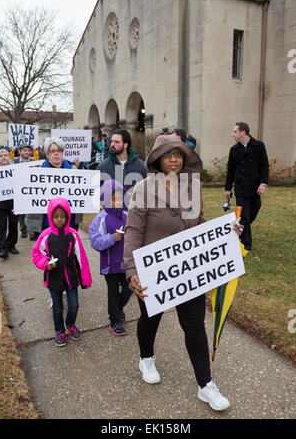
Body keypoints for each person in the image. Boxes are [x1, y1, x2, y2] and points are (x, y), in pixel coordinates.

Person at [123, 133, 243, 411]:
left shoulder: (194, 186)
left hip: (189, 270)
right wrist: (131, 270)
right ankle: (146, 357)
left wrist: (226, 231)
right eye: (168, 154)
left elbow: (199, 222)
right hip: (154, 270)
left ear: (185, 156)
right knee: (150, 318)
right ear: (157, 159)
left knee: (194, 325)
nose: (174, 159)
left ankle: (206, 385)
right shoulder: (142, 188)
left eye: (178, 153)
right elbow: (134, 232)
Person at [31, 198, 92, 346]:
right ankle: (59, 331)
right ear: (50, 217)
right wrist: (46, 264)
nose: (59, 219)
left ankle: (70, 324)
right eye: (56, 216)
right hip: (53, 279)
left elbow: (81, 257)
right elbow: (36, 254)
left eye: (63, 216)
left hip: (71, 278)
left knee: (74, 305)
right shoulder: (45, 235)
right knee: (57, 308)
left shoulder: (73, 234)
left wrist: (85, 279)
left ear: (68, 217)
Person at [89, 179, 132, 336]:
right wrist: (112, 238)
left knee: (130, 288)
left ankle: (118, 310)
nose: (117, 202)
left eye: (120, 198)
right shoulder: (100, 219)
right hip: (109, 264)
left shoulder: (128, 216)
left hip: (126, 264)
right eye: (114, 199)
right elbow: (95, 241)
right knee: (113, 293)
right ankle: (114, 320)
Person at [25, 137, 83, 240]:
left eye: (59, 150)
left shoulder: (73, 170)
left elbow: (83, 193)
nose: (56, 153)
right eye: (52, 151)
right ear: (47, 154)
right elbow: (30, 195)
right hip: (46, 223)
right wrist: (20, 205)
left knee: (69, 253)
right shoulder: (38, 173)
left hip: (70, 222)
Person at [225, 122, 269, 251]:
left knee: (252, 214)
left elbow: (264, 166)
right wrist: (228, 188)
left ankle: (237, 230)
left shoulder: (259, 146)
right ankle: (246, 246)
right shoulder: (234, 150)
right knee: (244, 216)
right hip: (241, 188)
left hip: (255, 188)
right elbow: (230, 170)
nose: (233, 134)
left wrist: (263, 183)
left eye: (235, 131)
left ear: (243, 132)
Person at [96, 129, 147, 208]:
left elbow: (148, 191)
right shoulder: (103, 165)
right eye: (112, 141)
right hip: (112, 215)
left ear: (125, 145)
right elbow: (96, 190)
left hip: (134, 215)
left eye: (116, 142)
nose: (112, 144)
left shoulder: (140, 165)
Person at [0, 149, 19, 258]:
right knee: (1, 227)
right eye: (1, 156)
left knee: (14, 226)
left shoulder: (17, 169)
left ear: (9, 157)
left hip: (14, 203)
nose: (4, 157)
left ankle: (11, 246)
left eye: (6, 155)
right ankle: (3, 249)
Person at [13, 145, 35, 238]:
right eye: (24, 150)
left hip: (30, 190)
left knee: (30, 211)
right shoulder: (13, 162)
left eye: (28, 150)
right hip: (18, 190)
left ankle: (31, 231)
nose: (26, 152)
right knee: (21, 212)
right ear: (19, 152)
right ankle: (23, 229)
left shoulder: (34, 162)